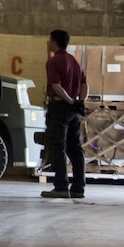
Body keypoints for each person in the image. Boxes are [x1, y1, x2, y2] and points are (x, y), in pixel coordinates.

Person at [41, 30, 87, 199]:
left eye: (50, 40)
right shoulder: (75, 61)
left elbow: (55, 86)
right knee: (75, 148)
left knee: (58, 147)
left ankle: (60, 186)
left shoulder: (53, 62)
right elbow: (84, 85)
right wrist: (79, 102)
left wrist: (68, 101)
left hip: (60, 107)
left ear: (54, 42)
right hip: (74, 111)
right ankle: (78, 188)